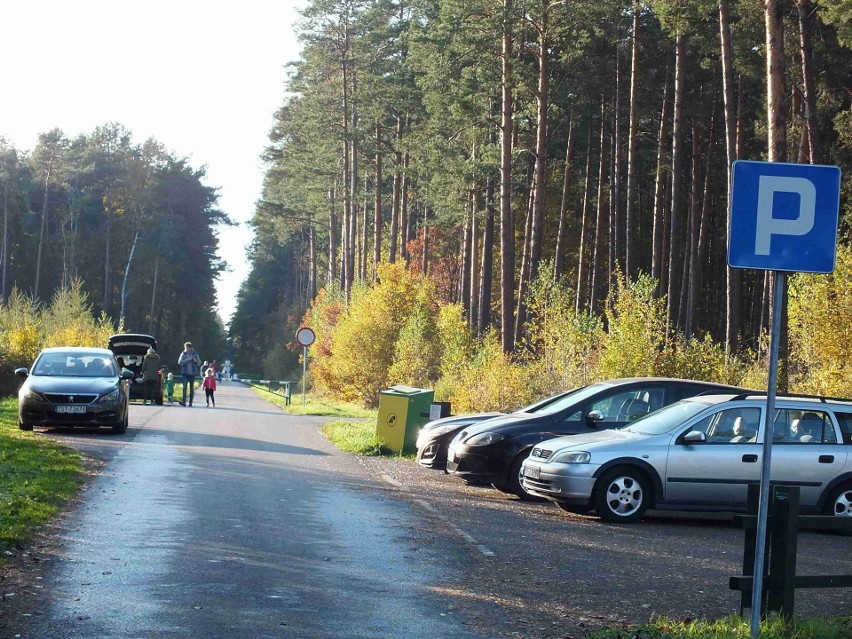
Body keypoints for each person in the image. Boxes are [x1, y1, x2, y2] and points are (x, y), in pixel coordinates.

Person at [178, 342, 201, 407]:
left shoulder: (195, 354)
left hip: (192, 374)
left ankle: (190, 402)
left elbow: (199, 363)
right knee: (184, 388)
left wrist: (196, 361)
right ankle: (184, 402)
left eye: (187, 348)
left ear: (190, 348)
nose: (186, 349)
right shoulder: (183, 354)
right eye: (185, 348)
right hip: (185, 374)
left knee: (191, 388)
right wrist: (188, 359)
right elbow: (179, 362)